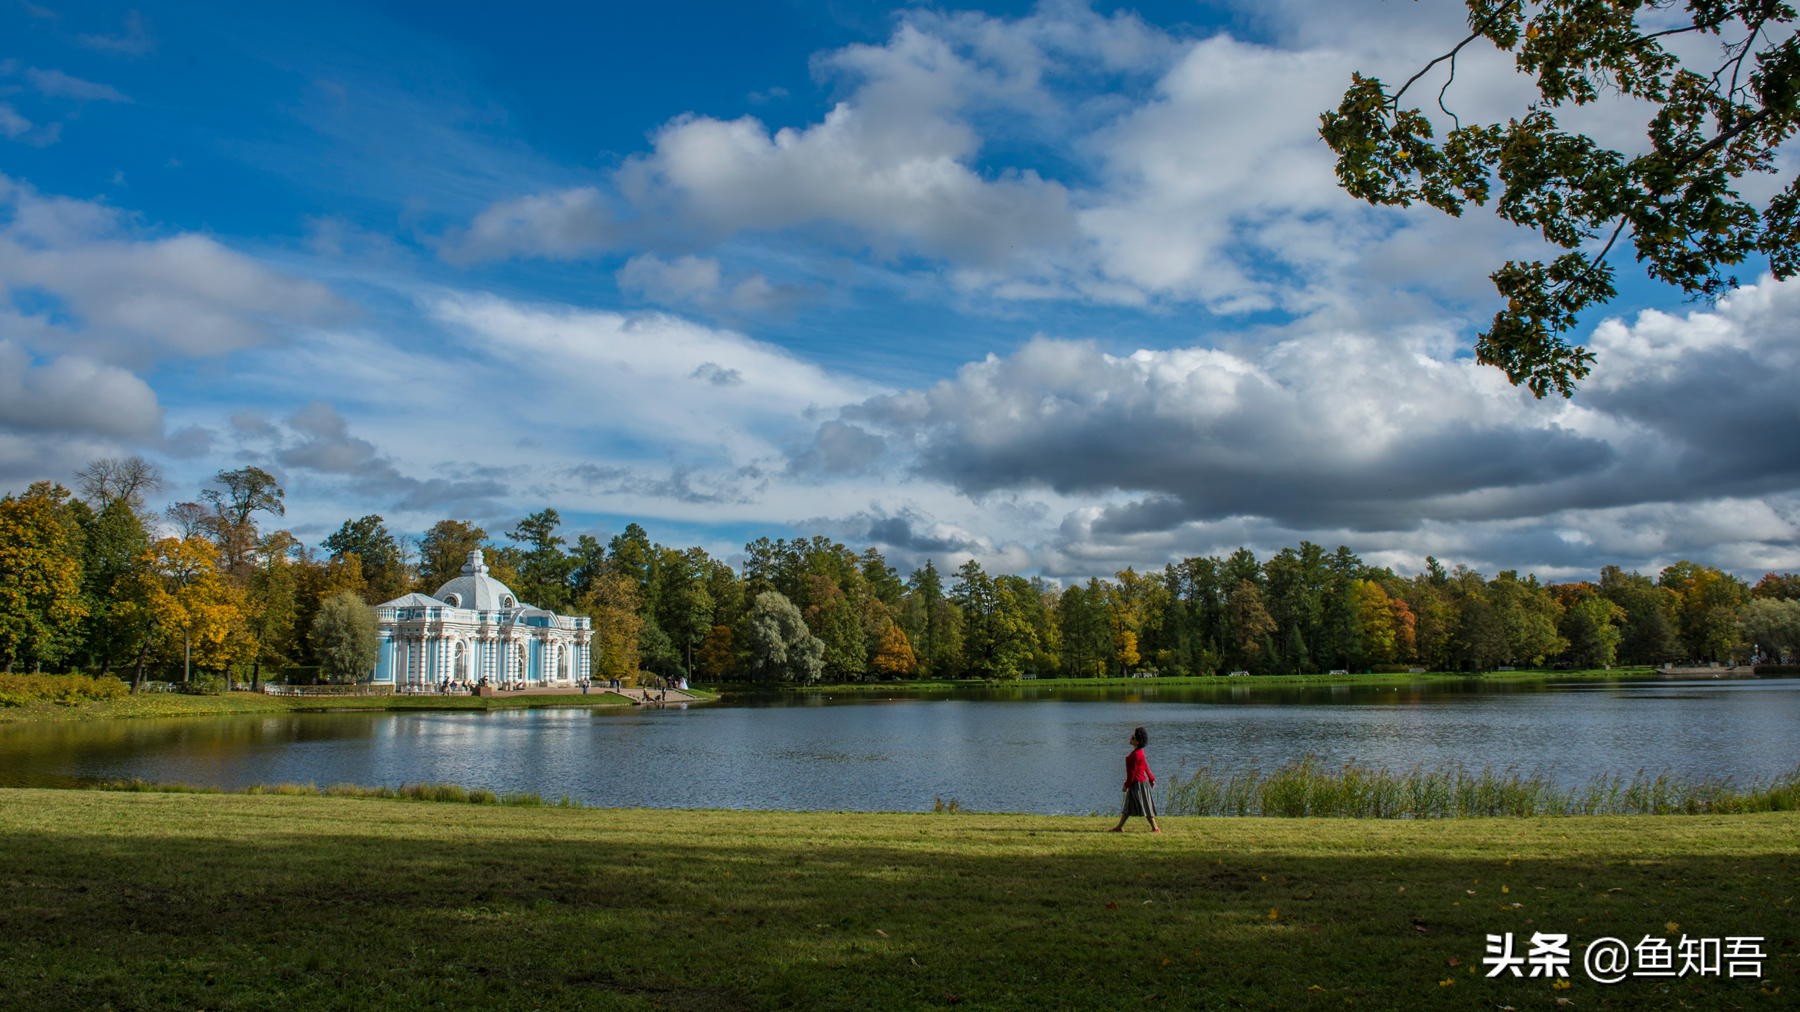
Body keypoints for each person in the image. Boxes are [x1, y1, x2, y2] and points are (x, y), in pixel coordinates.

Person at [1110, 726, 1161, 833]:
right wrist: (1151, 779)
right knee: (1128, 806)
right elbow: (1145, 766)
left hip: (1138, 784)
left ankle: (1155, 828)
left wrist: (1126, 785)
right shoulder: (1139, 752)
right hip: (1138, 783)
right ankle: (1119, 827)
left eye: (1133, 737)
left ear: (1138, 741)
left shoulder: (1136, 755)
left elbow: (1132, 774)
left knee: (1146, 807)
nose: (1131, 738)